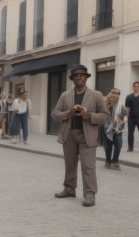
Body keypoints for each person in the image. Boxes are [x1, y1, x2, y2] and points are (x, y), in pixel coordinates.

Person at [51, 64, 110, 207]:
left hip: (87, 134)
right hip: (69, 133)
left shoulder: (96, 95)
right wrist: (68, 113)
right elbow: (55, 115)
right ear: (72, 79)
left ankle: (90, 194)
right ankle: (69, 189)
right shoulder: (65, 95)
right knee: (70, 164)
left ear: (86, 78)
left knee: (88, 166)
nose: (79, 77)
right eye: (76, 75)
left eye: (82, 75)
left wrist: (88, 115)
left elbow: (105, 115)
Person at [103, 88, 128, 170]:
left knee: (118, 144)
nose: (115, 95)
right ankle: (108, 161)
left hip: (117, 129)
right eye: (113, 93)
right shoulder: (105, 103)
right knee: (108, 146)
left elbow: (124, 116)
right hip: (107, 128)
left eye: (117, 94)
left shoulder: (121, 105)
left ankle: (115, 161)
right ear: (111, 93)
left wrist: (122, 118)